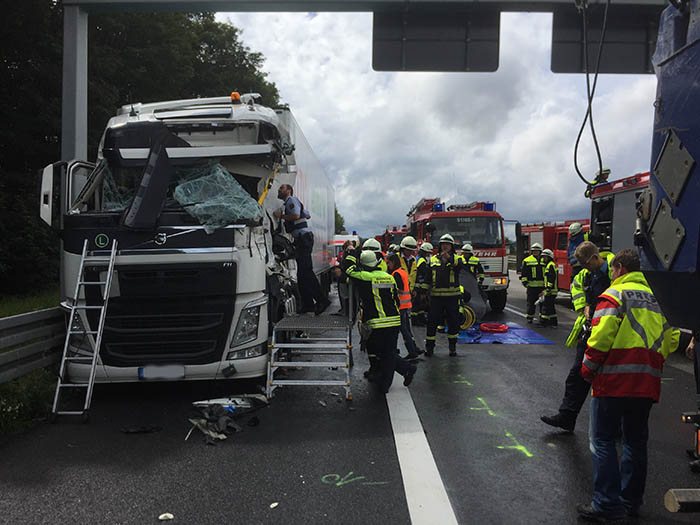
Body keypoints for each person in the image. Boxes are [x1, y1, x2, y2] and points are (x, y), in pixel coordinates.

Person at [576, 249, 679, 521]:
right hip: (647, 381)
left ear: (619, 268)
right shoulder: (660, 299)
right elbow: (671, 340)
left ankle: (607, 505)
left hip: (613, 380)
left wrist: (587, 369)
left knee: (602, 440)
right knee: (635, 442)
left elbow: (600, 338)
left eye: (612, 269)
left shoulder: (613, 295)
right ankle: (630, 501)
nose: (610, 273)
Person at [541, 241, 615, 432]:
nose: (583, 268)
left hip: (613, 333)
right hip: (591, 329)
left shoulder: (614, 273)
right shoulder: (587, 274)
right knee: (577, 374)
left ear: (595, 258)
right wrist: (583, 307)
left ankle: (616, 426)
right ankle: (567, 416)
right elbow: (576, 287)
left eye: (585, 264)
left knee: (612, 381)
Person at [346, 250, 417, 393]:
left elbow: (349, 270)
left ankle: (389, 381)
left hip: (378, 323)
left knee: (384, 353)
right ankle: (404, 370)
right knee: (388, 352)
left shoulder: (365, 277)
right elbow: (395, 299)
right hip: (394, 321)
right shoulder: (388, 277)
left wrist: (352, 253)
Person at [275, 184, 330, 315]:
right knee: (301, 274)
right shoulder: (291, 202)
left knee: (306, 272)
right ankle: (308, 304)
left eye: (282, 188)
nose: (279, 190)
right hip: (302, 239)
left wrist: (280, 216)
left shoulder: (291, 201)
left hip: (303, 239)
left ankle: (322, 301)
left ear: (288, 191)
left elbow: (295, 215)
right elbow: (307, 215)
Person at [425, 234, 466, 357]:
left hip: (452, 297)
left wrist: (449, 259)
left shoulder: (457, 259)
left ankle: (452, 347)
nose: (445, 246)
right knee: (432, 323)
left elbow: (459, 267)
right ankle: (430, 348)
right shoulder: (432, 259)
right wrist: (423, 293)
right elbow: (428, 278)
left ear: (452, 246)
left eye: (447, 244)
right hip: (436, 298)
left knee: (453, 323)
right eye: (443, 244)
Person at [387, 254, 421, 360]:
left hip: (400, 305)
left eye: (389, 263)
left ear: (394, 262)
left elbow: (400, 289)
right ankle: (412, 350)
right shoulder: (402, 272)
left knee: (403, 330)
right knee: (405, 329)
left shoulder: (396, 274)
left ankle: (412, 351)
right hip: (405, 304)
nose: (388, 265)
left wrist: (390, 288)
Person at [520, 243, 545, 324]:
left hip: (542, 286)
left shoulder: (544, 260)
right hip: (531, 286)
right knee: (531, 303)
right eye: (534, 251)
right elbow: (524, 273)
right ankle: (530, 317)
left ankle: (542, 318)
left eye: (537, 251)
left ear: (540, 251)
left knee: (542, 303)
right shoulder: (527, 260)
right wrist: (525, 282)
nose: (535, 252)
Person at [412, 242, 433, 326]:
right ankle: (415, 321)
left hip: (416, 284)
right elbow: (424, 275)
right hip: (419, 285)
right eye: (429, 253)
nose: (429, 255)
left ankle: (420, 319)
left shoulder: (417, 258)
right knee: (417, 304)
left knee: (420, 304)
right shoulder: (422, 261)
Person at [540, 249, 558, 327]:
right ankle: (553, 322)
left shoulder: (550, 265)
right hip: (551, 290)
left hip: (551, 290)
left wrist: (548, 288)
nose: (544, 259)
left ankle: (544, 322)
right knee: (550, 307)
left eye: (545, 257)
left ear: (549, 257)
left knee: (546, 306)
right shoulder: (549, 265)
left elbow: (551, 278)